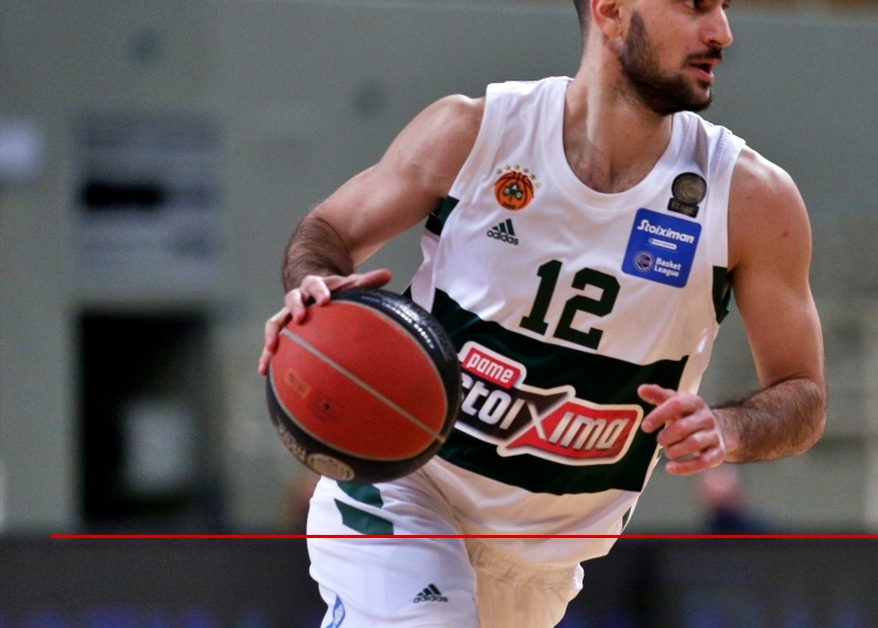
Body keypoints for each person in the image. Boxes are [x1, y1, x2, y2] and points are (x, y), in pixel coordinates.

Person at [257, 1, 826, 626]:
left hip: (545, 566)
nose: (722, 32)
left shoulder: (750, 198)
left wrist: (728, 427)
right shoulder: (476, 134)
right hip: (403, 490)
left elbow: (803, 395)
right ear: (611, 10)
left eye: (722, 7)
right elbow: (328, 230)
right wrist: (316, 292)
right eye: (694, 5)